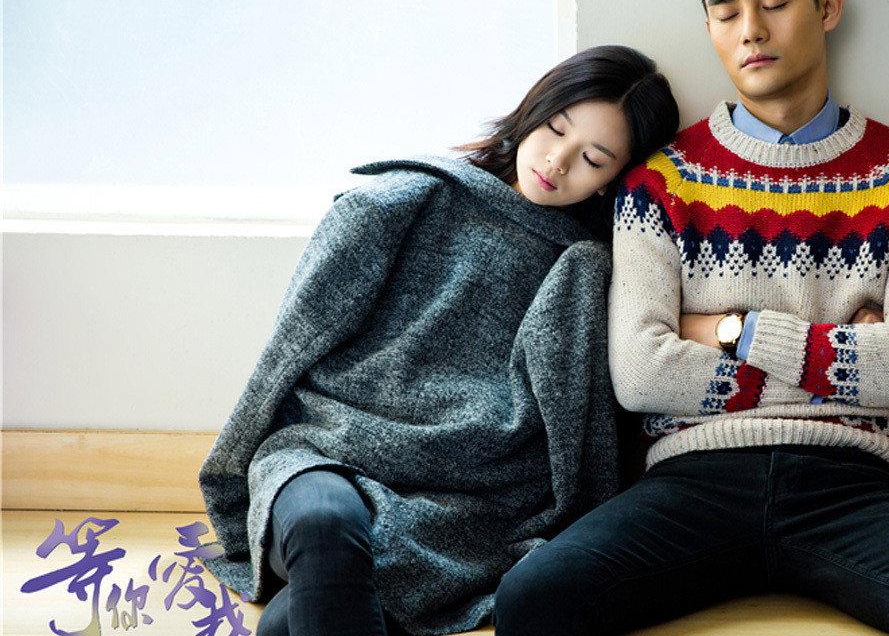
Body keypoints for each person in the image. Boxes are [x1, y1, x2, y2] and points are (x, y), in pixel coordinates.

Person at [494, 0, 889, 635]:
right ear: (710, 28)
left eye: (774, 2)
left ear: (827, 7)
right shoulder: (659, 183)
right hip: (692, 481)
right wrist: (843, 357)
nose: (750, 30)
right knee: (533, 599)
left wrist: (728, 331)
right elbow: (641, 375)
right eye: (725, 12)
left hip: (854, 485)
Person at [197, 44, 679, 636]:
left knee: (293, 618)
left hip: (464, 506)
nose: (557, 161)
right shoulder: (406, 200)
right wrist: (236, 466)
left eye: (593, 159)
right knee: (324, 528)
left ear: (614, 181)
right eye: (556, 128)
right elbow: (291, 348)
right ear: (534, 109)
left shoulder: (583, 269)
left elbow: (577, 435)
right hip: (326, 454)